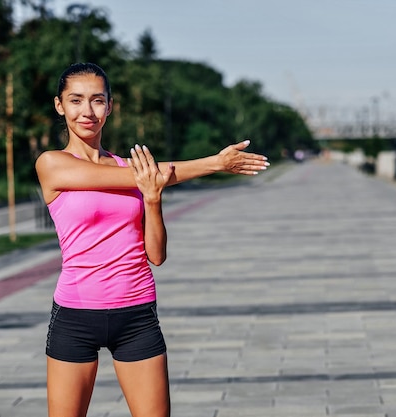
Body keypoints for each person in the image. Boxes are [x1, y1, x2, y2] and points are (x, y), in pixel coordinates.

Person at [35, 62, 269, 417]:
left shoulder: (133, 171)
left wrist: (153, 199)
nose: (87, 111)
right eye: (76, 100)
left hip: (137, 314)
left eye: (97, 101)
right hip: (75, 316)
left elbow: (156, 255)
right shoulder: (52, 164)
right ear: (59, 105)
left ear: (110, 106)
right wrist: (215, 163)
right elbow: (139, 174)